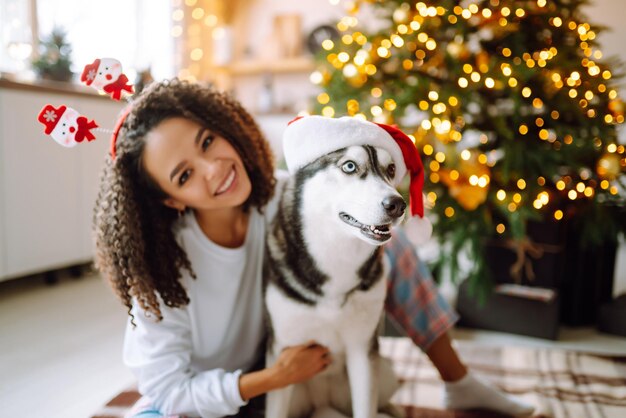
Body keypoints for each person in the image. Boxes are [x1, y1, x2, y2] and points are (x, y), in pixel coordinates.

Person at [93, 78, 534, 418]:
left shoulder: (280, 198)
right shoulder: (160, 269)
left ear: (224, 128)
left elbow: (353, 197)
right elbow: (170, 392)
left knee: (380, 239)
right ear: (171, 199)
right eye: (184, 175)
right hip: (207, 398)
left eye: (208, 141)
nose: (214, 169)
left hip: (275, 383)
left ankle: (457, 378)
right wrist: (273, 378)